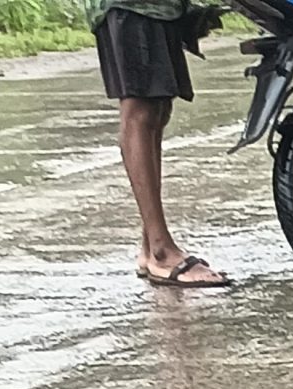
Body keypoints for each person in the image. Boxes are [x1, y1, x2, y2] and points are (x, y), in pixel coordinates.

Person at [90, 0, 231, 288]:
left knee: (157, 108)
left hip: (157, 7)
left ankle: (149, 248)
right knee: (140, 109)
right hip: (131, 7)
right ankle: (161, 251)